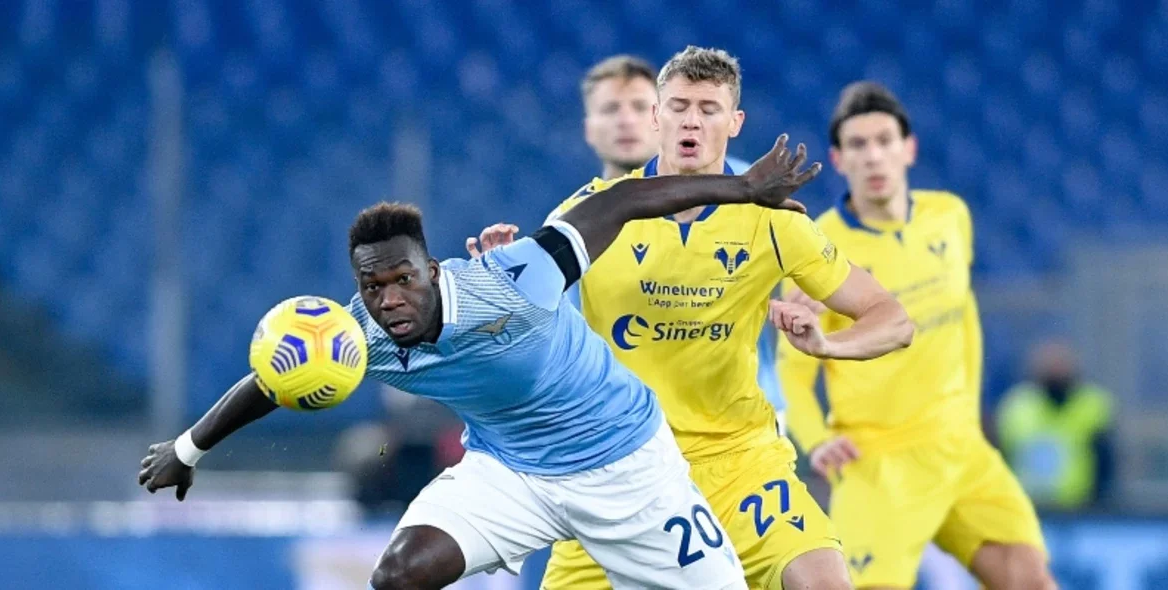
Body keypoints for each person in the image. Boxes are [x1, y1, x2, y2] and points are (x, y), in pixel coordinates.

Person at [137, 136, 822, 590]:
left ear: (431, 270)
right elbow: (270, 383)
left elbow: (619, 202)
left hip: (626, 467)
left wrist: (739, 191)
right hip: (510, 472)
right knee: (397, 576)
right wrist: (189, 449)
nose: (388, 298)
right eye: (372, 287)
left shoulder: (512, 282)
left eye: (402, 279)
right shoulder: (354, 339)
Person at [473, 46, 913, 590]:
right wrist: (501, 280)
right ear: (657, 117)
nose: (691, 120)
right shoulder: (590, 214)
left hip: (739, 464)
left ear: (735, 122)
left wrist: (828, 347)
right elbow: (516, 333)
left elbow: (892, 318)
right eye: (678, 106)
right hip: (619, 468)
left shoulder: (772, 222)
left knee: (825, 583)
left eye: (709, 109)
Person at [776, 81, 1056, 590]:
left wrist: (965, 415)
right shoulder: (816, 245)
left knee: (1031, 581)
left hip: (962, 450)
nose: (874, 156)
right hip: (880, 462)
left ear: (909, 149)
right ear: (839, 161)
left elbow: (963, 313)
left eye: (884, 140)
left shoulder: (949, 215)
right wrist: (816, 441)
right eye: (858, 145)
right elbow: (792, 369)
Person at [473, 54, 791, 435]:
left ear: (659, 115)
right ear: (589, 128)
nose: (626, 120)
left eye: (639, 107)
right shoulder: (573, 219)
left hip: (739, 425)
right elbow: (548, 333)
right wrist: (510, 284)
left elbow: (814, 263)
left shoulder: (746, 187)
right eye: (610, 109)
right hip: (624, 429)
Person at [996, 339, 1115, 511]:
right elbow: (1001, 457)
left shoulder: (1092, 405)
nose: (1055, 371)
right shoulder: (1017, 406)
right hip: (1026, 509)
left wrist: (1099, 503)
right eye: (1050, 366)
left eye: (1060, 365)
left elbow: (1105, 460)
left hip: (1079, 509)